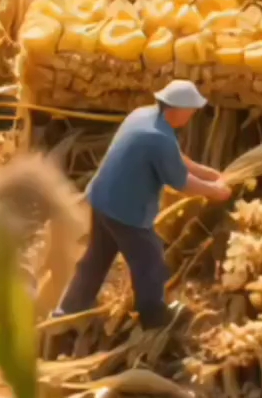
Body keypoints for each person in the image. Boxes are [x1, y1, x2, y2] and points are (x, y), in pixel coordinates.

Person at [53, 81, 231, 331]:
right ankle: (153, 318)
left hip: (103, 198)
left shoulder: (143, 116)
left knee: (96, 258)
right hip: (125, 211)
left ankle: (68, 311)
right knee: (150, 262)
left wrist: (206, 173)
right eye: (191, 111)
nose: (192, 116)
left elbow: (174, 158)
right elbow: (180, 181)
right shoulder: (159, 138)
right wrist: (215, 191)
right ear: (177, 110)